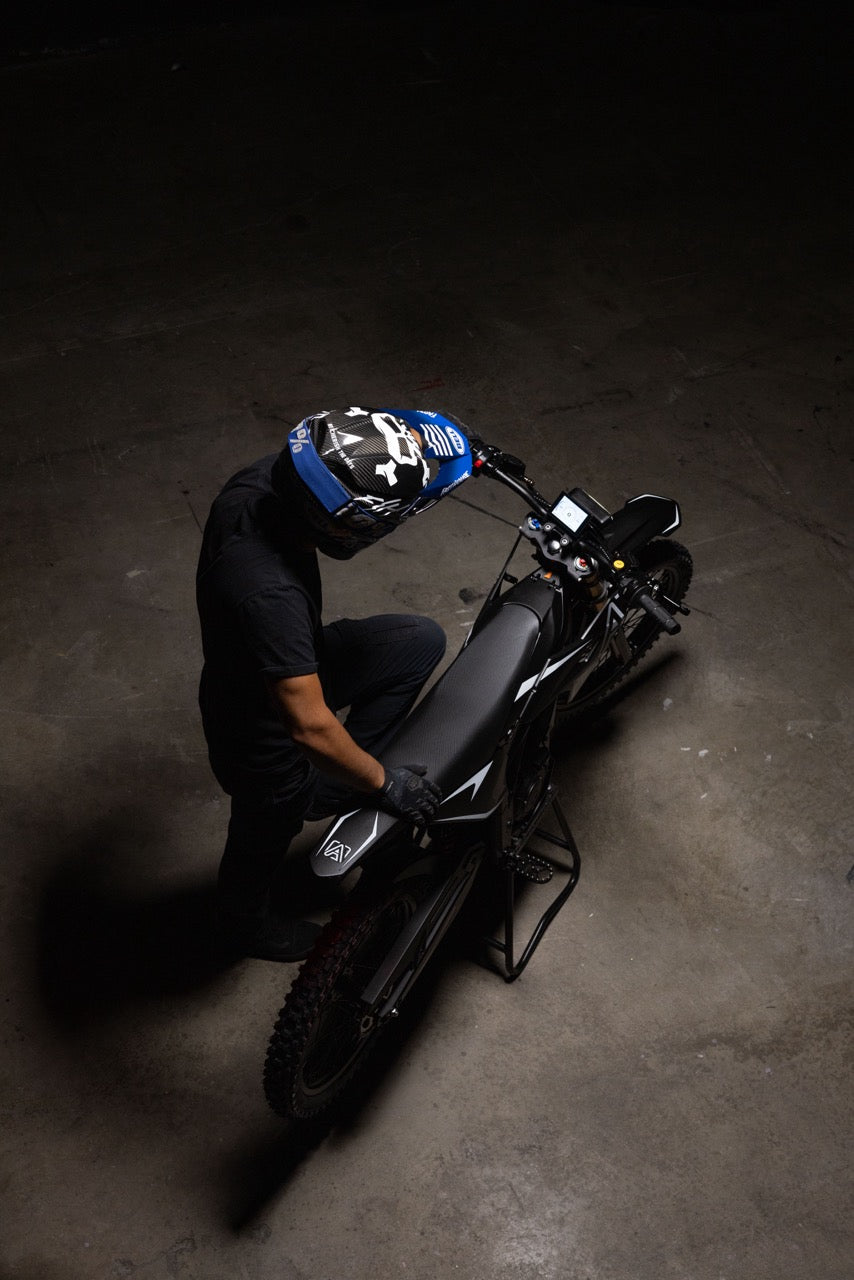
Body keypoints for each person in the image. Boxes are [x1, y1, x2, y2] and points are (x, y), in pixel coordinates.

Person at [196, 407, 462, 962]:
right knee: (265, 827)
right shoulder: (269, 595)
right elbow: (310, 727)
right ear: (341, 528)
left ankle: (336, 783)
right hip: (259, 732)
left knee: (417, 641)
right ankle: (241, 922)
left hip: (286, 660)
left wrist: (423, 446)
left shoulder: (269, 479)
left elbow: (351, 445)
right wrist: (385, 783)